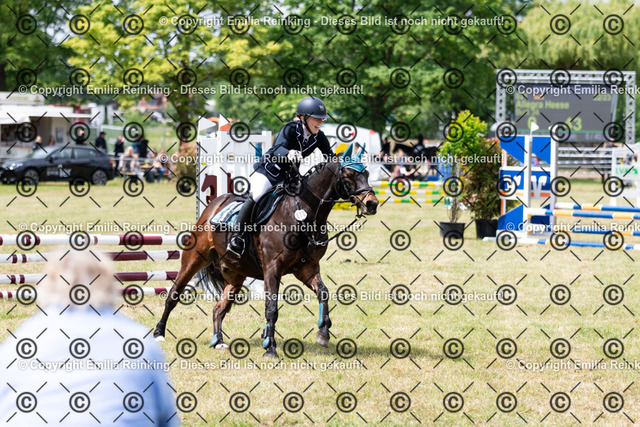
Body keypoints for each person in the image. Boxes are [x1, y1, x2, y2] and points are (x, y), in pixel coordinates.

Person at [0, 250, 178, 425]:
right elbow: (167, 419)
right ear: (108, 284)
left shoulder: (16, 344)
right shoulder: (140, 343)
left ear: (48, 286)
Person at [226, 96, 335, 257]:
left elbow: (330, 157)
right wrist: (288, 153)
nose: (320, 122)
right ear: (303, 118)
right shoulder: (290, 129)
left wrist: (344, 164)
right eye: (316, 119)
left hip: (290, 178)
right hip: (269, 172)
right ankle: (237, 237)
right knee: (257, 195)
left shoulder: (319, 137)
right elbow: (277, 148)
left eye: (322, 119)